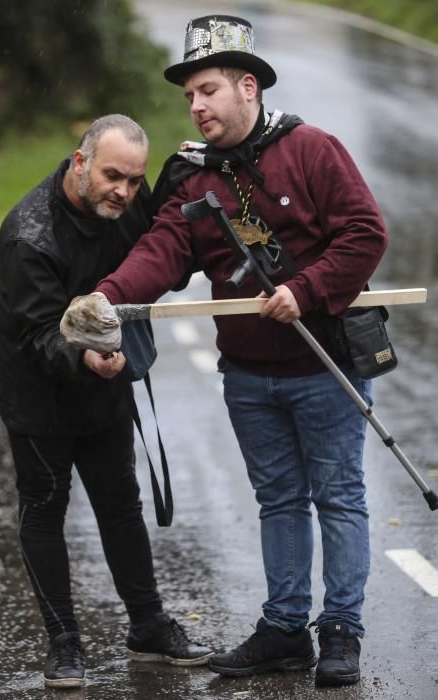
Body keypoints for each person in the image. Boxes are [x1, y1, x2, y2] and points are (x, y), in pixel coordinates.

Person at [60, 17, 388, 689]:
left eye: (207, 90)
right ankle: (284, 629)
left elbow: (364, 232)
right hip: (246, 374)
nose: (197, 106)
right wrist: (107, 296)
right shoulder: (189, 178)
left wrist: (307, 288)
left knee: (338, 496)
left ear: (246, 87)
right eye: (188, 97)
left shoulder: (312, 150)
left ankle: (340, 631)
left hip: (324, 366)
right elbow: (162, 252)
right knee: (278, 501)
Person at [0, 114, 212, 689]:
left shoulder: (125, 204)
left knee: (121, 505)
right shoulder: (28, 234)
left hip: (105, 384)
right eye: (114, 175)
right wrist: (86, 357)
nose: (124, 191)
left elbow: (160, 248)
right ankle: (64, 642)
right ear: (80, 160)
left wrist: (176, 180)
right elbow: (41, 334)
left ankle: (147, 627)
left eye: (135, 180)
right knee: (44, 511)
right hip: (40, 394)